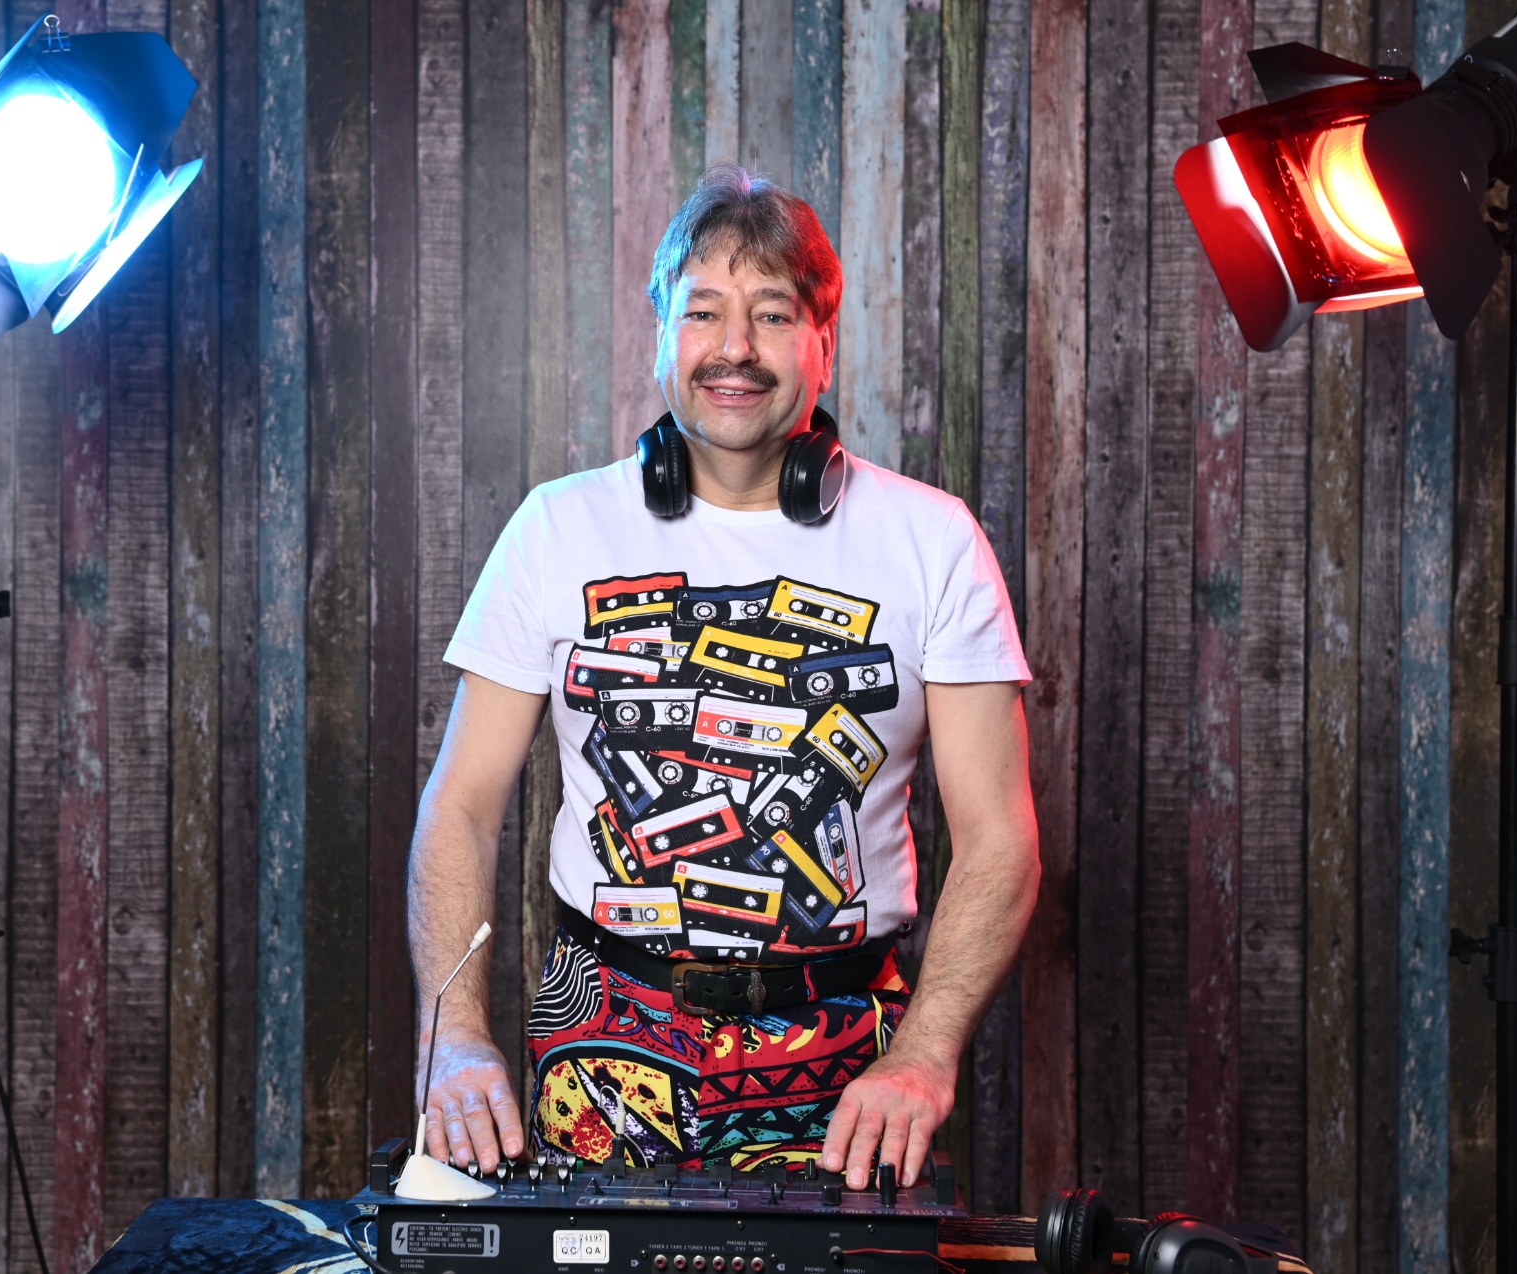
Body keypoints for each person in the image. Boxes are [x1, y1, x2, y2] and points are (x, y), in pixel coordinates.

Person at [407, 164, 1041, 1191]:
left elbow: (1001, 839)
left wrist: (924, 1055)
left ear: (824, 342)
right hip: (602, 1027)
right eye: (703, 311)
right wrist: (456, 1035)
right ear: (662, 334)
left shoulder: (934, 540)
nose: (735, 346)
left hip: (853, 1056)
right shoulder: (555, 528)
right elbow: (463, 809)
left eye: (773, 314)